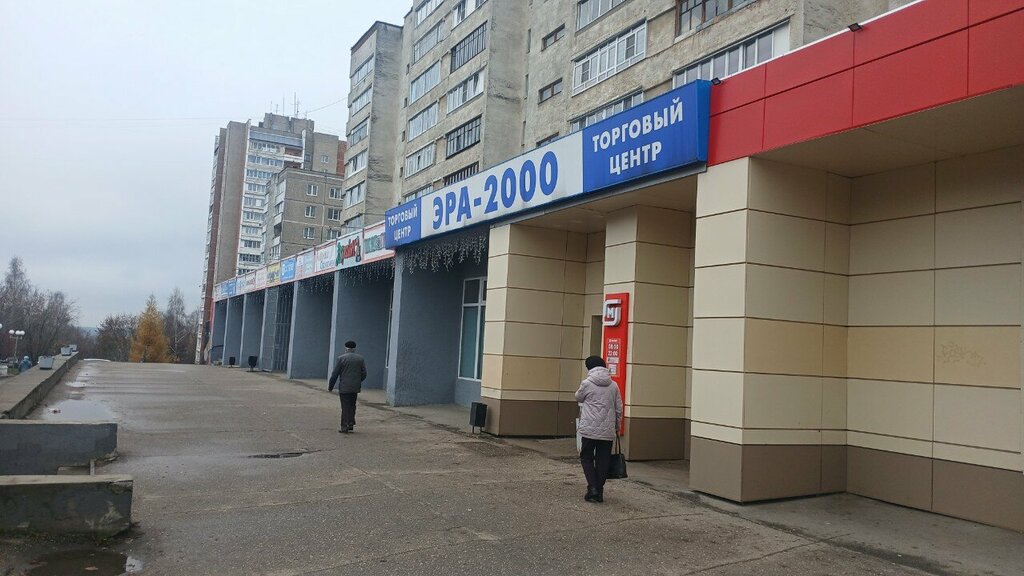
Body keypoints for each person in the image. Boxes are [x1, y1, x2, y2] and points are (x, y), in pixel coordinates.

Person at [575, 355, 622, 503]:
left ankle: (592, 488)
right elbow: (618, 408)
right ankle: (599, 492)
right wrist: (617, 426)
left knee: (586, 457)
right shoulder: (613, 385)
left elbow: (578, 397)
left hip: (589, 428)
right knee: (603, 460)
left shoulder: (587, 383)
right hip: (607, 430)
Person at [328, 341, 366, 434]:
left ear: (346, 348)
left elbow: (335, 374)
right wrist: (358, 381)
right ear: (355, 349)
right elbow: (364, 373)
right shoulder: (360, 359)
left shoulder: (341, 358)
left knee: (345, 407)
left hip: (344, 387)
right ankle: (351, 423)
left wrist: (330, 387)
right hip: (355, 387)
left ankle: (344, 426)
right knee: (352, 405)